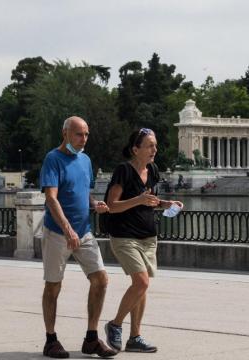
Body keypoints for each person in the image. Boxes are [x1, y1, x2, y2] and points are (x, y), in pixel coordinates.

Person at [39, 116, 117, 358]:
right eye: (78, 135)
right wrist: (67, 229)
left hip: (83, 232)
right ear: (65, 134)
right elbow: (51, 198)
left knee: (101, 280)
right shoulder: (53, 159)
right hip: (57, 233)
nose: (83, 140)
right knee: (53, 286)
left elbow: (84, 193)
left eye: (86, 135)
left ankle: (91, 338)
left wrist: (95, 204)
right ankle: (51, 340)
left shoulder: (85, 160)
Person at [104, 128, 184, 353]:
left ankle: (135, 337)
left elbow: (150, 201)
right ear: (135, 149)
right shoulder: (124, 170)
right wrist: (138, 199)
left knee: (141, 287)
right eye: (149, 145)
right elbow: (112, 205)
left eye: (155, 145)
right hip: (124, 236)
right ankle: (115, 324)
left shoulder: (153, 170)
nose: (154, 150)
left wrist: (166, 204)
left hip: (148, 237)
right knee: (142, 283)